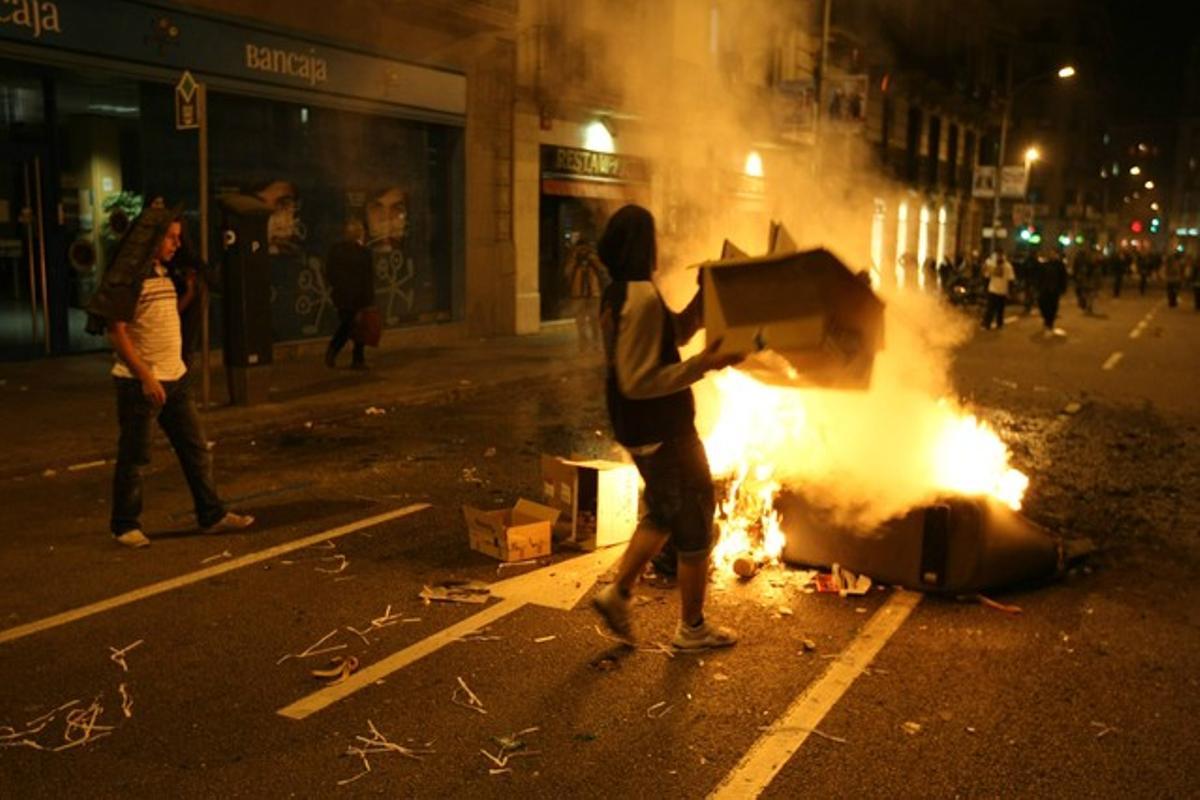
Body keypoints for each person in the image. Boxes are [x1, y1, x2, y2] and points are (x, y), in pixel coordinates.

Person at [590, 204, 743, 650]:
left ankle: (617, 594)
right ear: (644, 244)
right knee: (695, 522)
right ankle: (692, 628)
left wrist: (704, 295)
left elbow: (670, 333)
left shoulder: (620, 292)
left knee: (664, 509)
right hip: (662, 428)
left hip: (640, 428)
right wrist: (704, 365)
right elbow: (638, 380)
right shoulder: (638, 295)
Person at [86, 206, 254, 548]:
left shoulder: (162, 273)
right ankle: (124, 525)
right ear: (152, 237)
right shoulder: (130, 278)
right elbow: (117, 332)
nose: (177, 244)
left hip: (175, 378)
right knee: (135, 456)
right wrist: (146, 377)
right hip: (141, 384)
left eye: (180, 238)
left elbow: (158, 317)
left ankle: (211, 515)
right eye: (171, 237)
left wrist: (189, 296)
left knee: (196, 450)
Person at [325, 220, 375, 369]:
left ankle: (354, 358)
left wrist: (336, 287)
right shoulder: (365, 253)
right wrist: (369, 300)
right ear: (359, 234)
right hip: (358, 298)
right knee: (355, 327)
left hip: (342, 296)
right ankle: (343, 353)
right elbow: (367, 278)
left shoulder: (335, 250)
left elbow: (330, 272)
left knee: (348, 325)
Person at [563, 234, 608, 352]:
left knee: (595, 320)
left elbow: (603, 270)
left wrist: (593, 260)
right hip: (578, 294)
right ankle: (583, 344)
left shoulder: (594, 258)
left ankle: (596, 343)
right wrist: (574, 260)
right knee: (580, 321)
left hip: (593, 293)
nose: (583, 251)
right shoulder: (573, 259)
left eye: (585, 248)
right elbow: (567, 273)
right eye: (580, 248)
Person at [1038, 249, 1069, 336]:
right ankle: (1046, 318)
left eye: (1054, 254)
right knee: (1042, 304)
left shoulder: (1060, 265)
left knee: (1053, 307)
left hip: (1055, 289)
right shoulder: (1045, 264)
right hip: (1044, 289)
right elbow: (1040, 276)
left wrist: (1063, 288)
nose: (1052, 255)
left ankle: (1049, 322)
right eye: (1051, 253)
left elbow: (1063, 277)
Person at [981, 252, 1015, 330]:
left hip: (1000, 291)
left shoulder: (1007, 266)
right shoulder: (996, 266)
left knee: (997, 309)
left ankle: (995, 324)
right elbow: (986, 276)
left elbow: (1011, 280)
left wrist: (1009, 291)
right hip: (995, 290)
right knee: (993, 309)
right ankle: (990, 324)